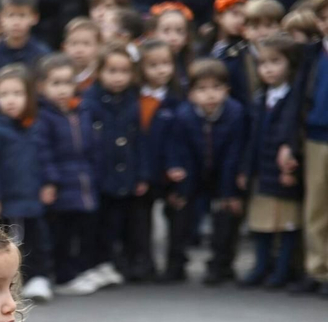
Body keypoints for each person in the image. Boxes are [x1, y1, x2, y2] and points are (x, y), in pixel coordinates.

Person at [163, 57, 244, 284]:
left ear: (227, 90)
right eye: (202, 89)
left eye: (217, 88)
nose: (210, 95)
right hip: (193, 173)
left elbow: (233, 155)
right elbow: (177, 149)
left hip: (222, 174)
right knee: (180, 213)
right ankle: (175, 263)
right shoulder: (183, 116)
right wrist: (180, 184)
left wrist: (229, 193)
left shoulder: (235, 114)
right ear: (191, 93)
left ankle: (221, 264)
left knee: (226, 216)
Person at [0, 62, 51, 301]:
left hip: (30, 197)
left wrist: (49, 183)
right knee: (1, 245)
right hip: (5, 201)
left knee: (35, 239)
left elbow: (44, 157)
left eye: (17, 94)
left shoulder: (34, 125)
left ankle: (38, 278)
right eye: (4, 94)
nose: (10, 100)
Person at [33, 52, 99, 295]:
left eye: (67, 83)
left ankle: (76, 270)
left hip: (82, 182)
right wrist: (50, 182)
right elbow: (43, 153)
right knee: (60, 234)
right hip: (61, 185)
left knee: (80, 232)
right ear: (42, 86)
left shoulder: (81, 111)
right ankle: (62, 276)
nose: (62, 89)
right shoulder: (44, 116)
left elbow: (90, 147)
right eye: (55, 83)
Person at [241, 33, 302, 289]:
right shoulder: (259, 98)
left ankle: (282, 269)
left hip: (283, 172)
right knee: (262, 223)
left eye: (275, 61)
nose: (268, 69)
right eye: (263, 63)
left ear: (290, 63)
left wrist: (292, 164)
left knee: (287, 223)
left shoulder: (294, 99)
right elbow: (250, 140)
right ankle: (261, 265)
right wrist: (245, 169)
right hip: (261, 172)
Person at [80, 42, 136, 290]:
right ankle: (93, 263)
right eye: (112, 71)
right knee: (95, 224)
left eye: (124, 71)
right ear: (99, 72)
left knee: (117, 222)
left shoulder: (132, 100)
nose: (118, 77)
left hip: (123, 175)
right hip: (97, 175)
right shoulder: (90, 101)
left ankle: (110, 262)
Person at [128, 37, 177, 283]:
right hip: (143, 169)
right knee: (141, 220)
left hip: (170, 169)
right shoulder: (134, 98)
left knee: (175, 217)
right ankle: (144, 262)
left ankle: (174, 263)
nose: (161, 70)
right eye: (154, 65)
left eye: (166, 63)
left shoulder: (178, 98)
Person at [294, 0, 328, 296]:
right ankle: (317, 269)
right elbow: (298, 99)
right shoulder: (313, 55)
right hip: (317, 136)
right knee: (316, 207)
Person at [150, 3, 192, 91]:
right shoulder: (144, 59)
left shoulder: (192, 63)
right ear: (154, 33)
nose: (173, 38)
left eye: (180, 31)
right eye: (166, 31)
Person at [63, 15, 101, 94]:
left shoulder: (99, 76)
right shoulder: (59, 73)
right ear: (64, 47)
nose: (79, 50)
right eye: (74, 44)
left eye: (86, 44)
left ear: (99, 46)